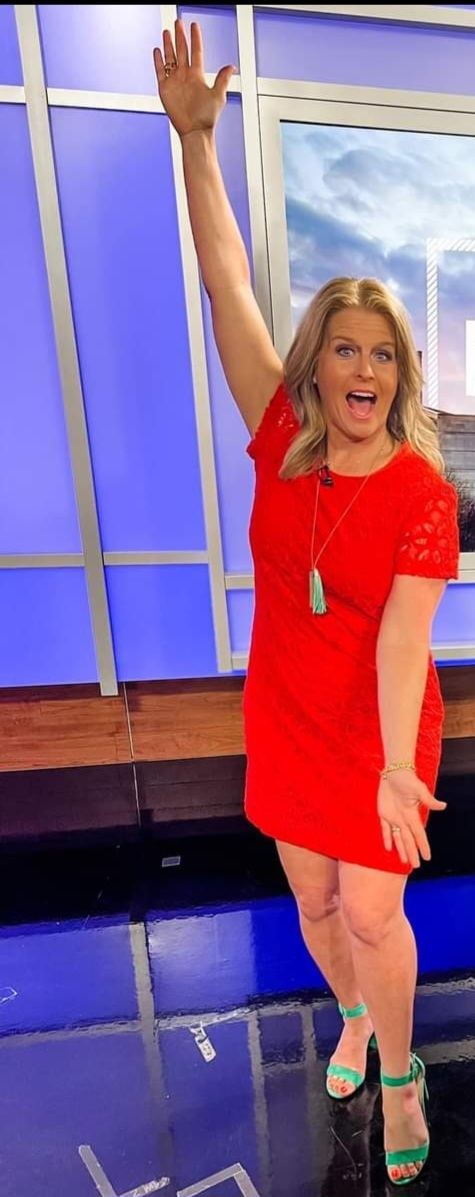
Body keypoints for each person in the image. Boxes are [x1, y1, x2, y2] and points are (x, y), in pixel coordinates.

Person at [154, 20, 459, 1187]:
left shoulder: (420, 491)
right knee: (317, 903)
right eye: (344, 349)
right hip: (286, 712)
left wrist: (390, 767)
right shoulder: (280, 438)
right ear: (317, 367)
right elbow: (226, 280)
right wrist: (196, 143)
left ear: (399, 373)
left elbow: (401, 639)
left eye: (382, 353)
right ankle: (352, 1016)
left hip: (377, 725)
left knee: (375, 913)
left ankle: (400, 1072)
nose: (363, 370)